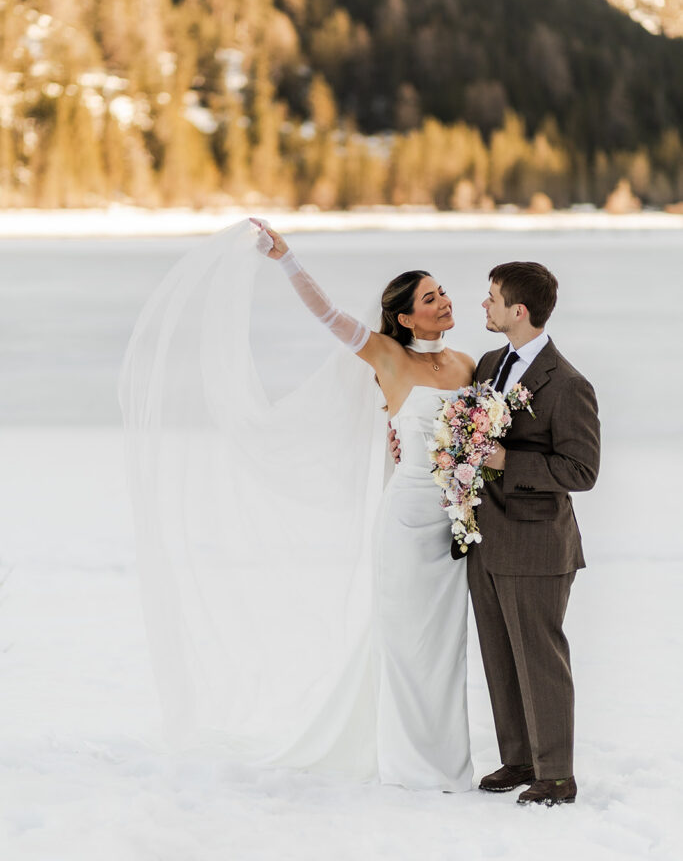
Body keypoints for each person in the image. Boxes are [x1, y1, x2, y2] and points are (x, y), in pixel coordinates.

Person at [120, 217, 475, 791]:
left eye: (443, 292)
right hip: (407, 521)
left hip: (454, 523)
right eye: (430, 297)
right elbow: (329, 316)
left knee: (445, 647)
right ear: (406, 316)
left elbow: (477, 432)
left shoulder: (466, 364)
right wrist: (286, 259)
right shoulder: (385, 355)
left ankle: (449, 760)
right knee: (406, 643)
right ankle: (410, 766)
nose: (444, 301)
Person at [390, 261, 600, 806]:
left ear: (519, 311)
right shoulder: (488, 363)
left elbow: (582, 472)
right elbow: (459, 429)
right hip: (483, 537)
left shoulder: (568, 383)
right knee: (500, 654)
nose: (481, 306)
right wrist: (416, 446)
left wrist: (508, 461)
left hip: (536, 544)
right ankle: (519, 759)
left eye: (491, 299)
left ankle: (556, 774)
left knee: (540, 657)